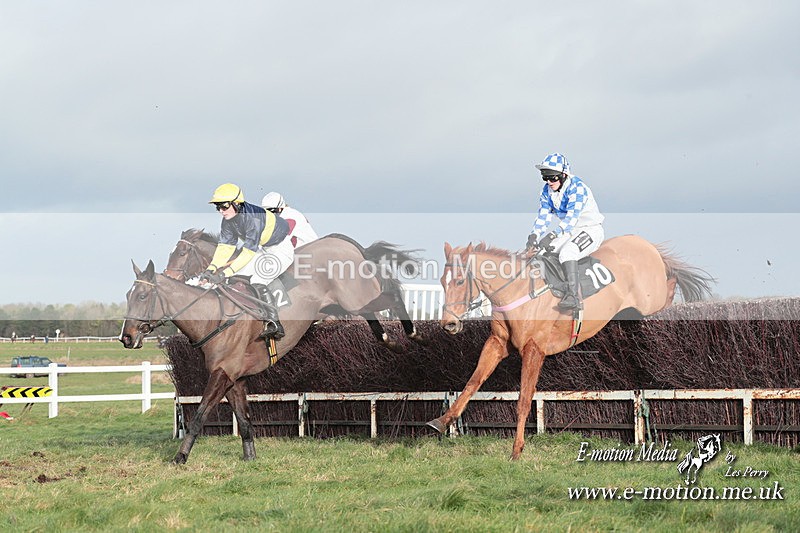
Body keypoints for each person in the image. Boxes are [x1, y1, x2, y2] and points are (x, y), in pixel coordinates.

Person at [200, 183, 294, 339]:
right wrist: (211, 269)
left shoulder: (252, 218)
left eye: (223, 206)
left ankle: (274, 323)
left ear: (237, 203)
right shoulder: (228, 220)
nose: (221, 211)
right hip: (264, 249)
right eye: (218, 208)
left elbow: (248, 252)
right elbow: (225, 248)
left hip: (281, 250)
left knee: (258, 280)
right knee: (235, 277)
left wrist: (225, 272)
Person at [526, 153, 605, 310]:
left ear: (563, 175)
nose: (549, 182)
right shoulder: (546, 191)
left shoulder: (578, 188)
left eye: (553, 178)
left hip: (590, 229)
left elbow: (571, 218)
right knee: (542, 253)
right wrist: (534, 235)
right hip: (569, 231)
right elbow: (544, 215)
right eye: (545, 177)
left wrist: (551, 235)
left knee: (568, 253)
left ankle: (573, 296)